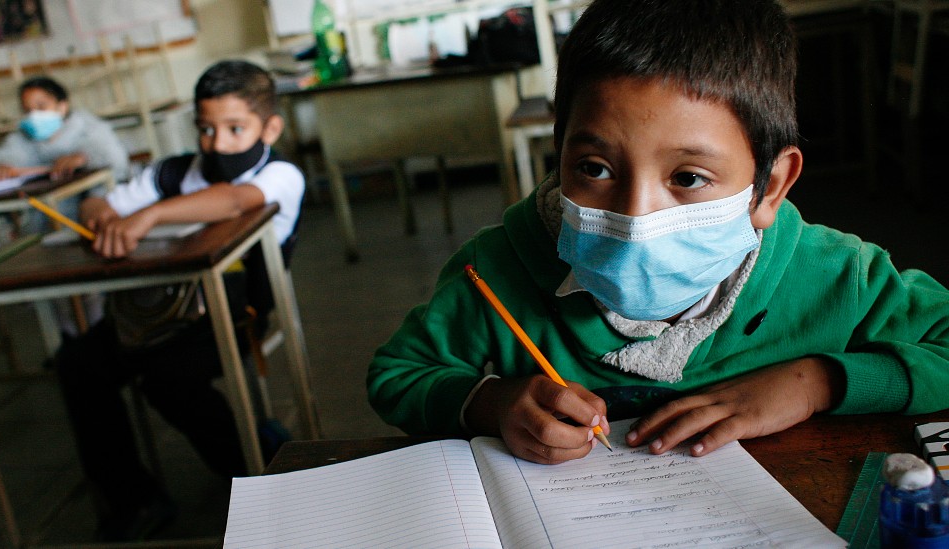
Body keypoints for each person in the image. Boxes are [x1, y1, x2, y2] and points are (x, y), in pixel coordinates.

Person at [368, 0, 949, 468]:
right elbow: (398, 375)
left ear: (769, 188)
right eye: (595, 169)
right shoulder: (496, 271)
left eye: (689, 177)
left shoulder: (838, 277)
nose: (635, 217)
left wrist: (816, 382)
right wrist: (491, 403)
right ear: (560, 152)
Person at [54, 60, 304, 541]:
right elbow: (100, 202)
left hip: (233, 316)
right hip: (154, 315)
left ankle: (255, 476)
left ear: (269, 127)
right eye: (206, 129)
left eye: (235, 129)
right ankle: (133, 498)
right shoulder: (173, 172)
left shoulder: (281, 174)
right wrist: (102, 212)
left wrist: (147, 218)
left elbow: (233, 201)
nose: (218, 143)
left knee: (169, 380)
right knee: (79, 364)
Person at [0, 76, 130, 230]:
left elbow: (115, 159)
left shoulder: (88, 128)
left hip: (94, 218)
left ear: (62, 106)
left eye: (41, 107)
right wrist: (2, 165)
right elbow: (7, 155)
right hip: (45, 222)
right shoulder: (22, 138)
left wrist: (84, 157)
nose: (34, 116)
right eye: (27, 110)